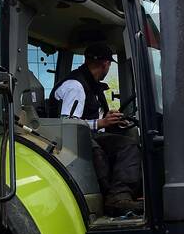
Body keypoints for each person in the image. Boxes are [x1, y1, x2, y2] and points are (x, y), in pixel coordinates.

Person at [52, 44, 142, 216]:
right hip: (70, 140)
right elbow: (69, 125)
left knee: (126, 142)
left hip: (90, 134)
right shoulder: (75, 86)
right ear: (106, 64)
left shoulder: (92, 85)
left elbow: (90, 116)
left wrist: (111, 121)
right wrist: (101, 123)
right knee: (123, 147)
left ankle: (124, 195)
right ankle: (116, 198)